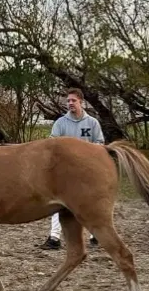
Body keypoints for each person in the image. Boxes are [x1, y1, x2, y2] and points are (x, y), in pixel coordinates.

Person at [43, 88, 104, 250]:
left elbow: (99, 144)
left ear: (81, 102)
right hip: (65, 173)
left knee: (90, 202)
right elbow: (52, 145)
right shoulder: (60, 123)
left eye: (73, 100)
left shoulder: (92, 123)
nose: (70, 103)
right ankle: (54, 237)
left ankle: (95, 236)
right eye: (68, 101)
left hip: (86, 171)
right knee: (59, 203)